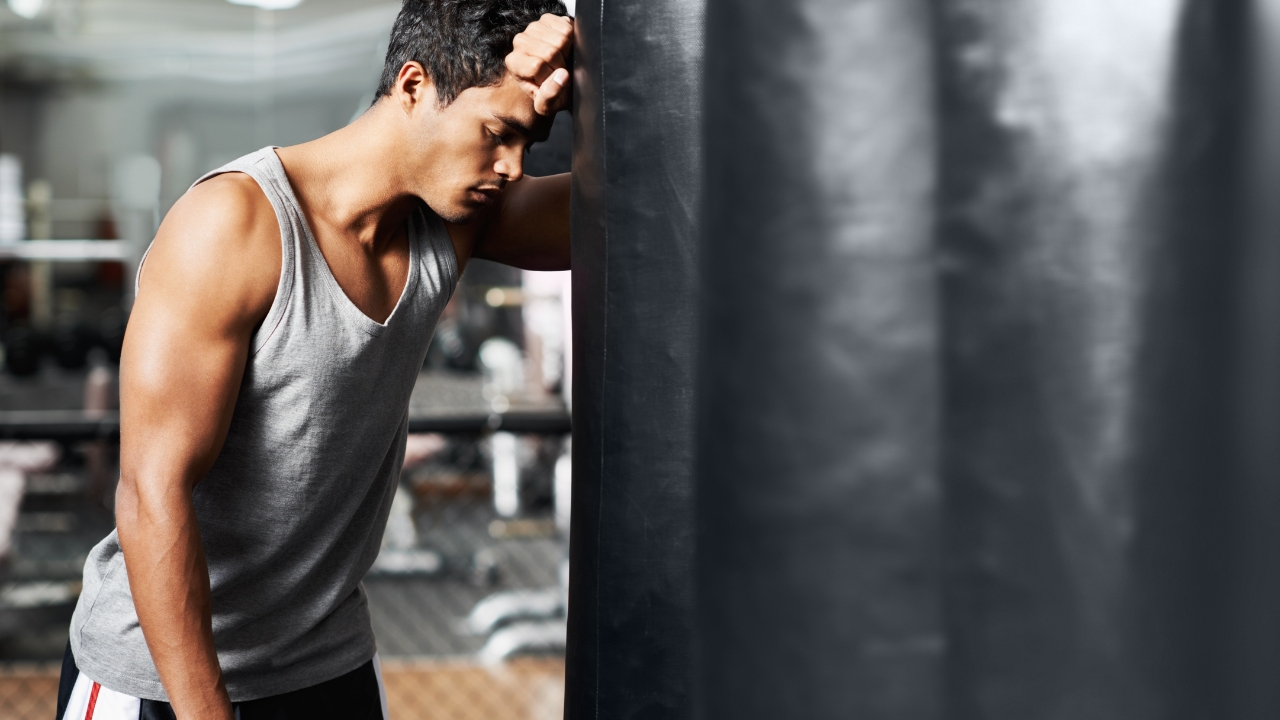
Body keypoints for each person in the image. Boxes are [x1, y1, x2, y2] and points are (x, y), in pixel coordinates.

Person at [55, 1, 574, 718]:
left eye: (530, 142)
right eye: (497, 134)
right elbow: (152, 493)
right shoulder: (235, 225)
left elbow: (630, 211)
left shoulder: (451, 224)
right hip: (165, 677)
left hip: (326, 664)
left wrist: (594, 71)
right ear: (414, 86)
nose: (513, 168)